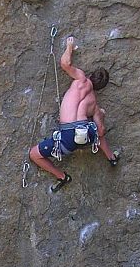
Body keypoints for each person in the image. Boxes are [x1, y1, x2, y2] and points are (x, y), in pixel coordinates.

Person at [29, 35, 120, 192]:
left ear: (90, 75)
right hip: (85, 133)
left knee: (34, 154)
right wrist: (101, 115)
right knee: (98, 132)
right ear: (100, 89)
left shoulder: (81, 80)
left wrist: (69, 47)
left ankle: (62, 177)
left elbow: (65, 63)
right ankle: (111, 158)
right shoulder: (94, 105)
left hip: (68, 138)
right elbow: (101, 131)